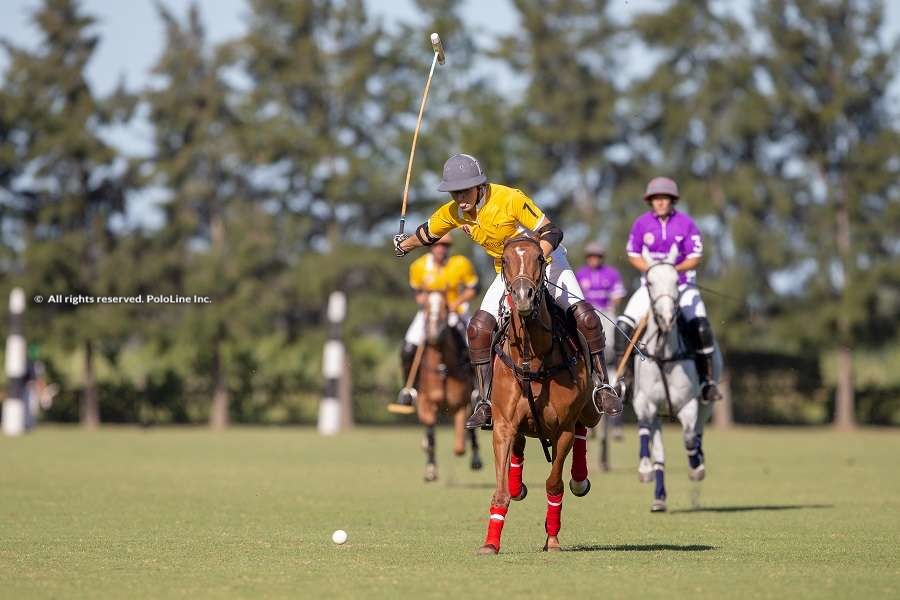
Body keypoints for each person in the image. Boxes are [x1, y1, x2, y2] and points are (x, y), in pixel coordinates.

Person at [393, 153, 621, 429]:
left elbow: (551, 231)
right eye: (455, 192)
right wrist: (405, 244)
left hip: (547, 262)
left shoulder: (510, 198)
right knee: (478, 328)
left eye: (465, 190)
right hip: (509, 272)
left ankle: (602, 386)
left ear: (480, 185)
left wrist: (536, 261)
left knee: (585, 316)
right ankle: (485, 400)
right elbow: (428, 232)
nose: (460, 198)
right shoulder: (454, 212)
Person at [614, 176, 723, 403]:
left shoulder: (686, 224)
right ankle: (624, 380)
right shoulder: (641, 224)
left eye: (665, 198)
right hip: (650, 288)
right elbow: (633, 254)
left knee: (701, 326)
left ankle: (707, 382)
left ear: (672, 200)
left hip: (683, 286)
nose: (661, 202)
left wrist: (671, 270)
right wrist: (654, 272)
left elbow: (695, 257)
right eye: (656, 198)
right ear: (650, 201)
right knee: (623, 325)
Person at [395, 233, 479, 407]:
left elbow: (473, 288)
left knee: (475, 345)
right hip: (430, 312)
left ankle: (478, 391)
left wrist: (457, 302)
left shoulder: (460, 263)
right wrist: (425, 303)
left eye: (445, 246)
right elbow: (417, 292)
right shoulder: (418, 266)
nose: (441, 249)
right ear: (431, 247)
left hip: (456, 311)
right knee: (408, 346)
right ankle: (408, 389)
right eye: (437, 245)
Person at [576, 242, 627, 439]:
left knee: (617, 329)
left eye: (597, 255)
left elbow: (617, 296)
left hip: (605, 313)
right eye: (591, 255)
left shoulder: (611, 273)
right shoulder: (580, 274)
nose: (594, 258)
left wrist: (608, 309)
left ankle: (614, 360)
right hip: (586, 315)